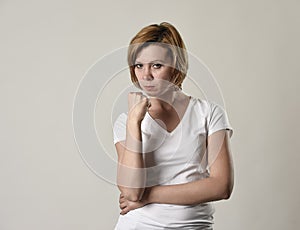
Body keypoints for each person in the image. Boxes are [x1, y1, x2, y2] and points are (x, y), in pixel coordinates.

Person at [113, 22, 234, 230]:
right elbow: (132, 192)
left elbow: (222, 186)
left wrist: (148, 195)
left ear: (177, 67)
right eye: (139, 65)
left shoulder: (209, 113)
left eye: (156, 65)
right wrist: (134, 122)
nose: (146, 75)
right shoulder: (126, 121)